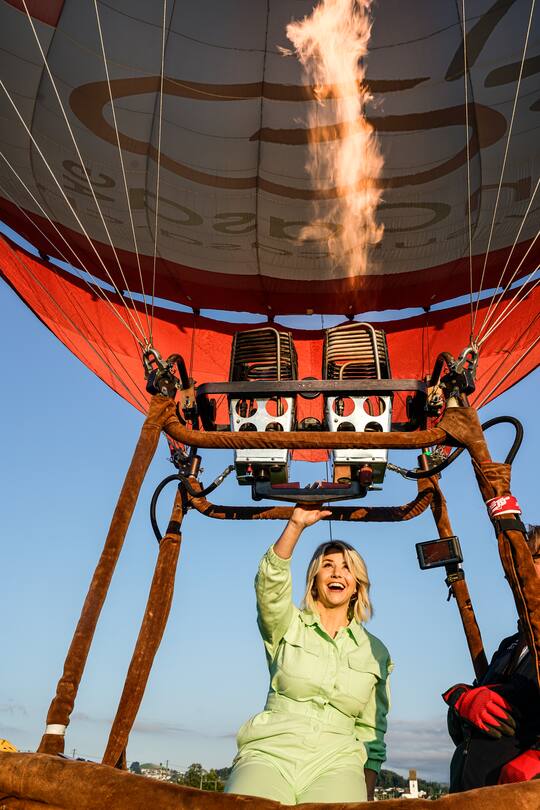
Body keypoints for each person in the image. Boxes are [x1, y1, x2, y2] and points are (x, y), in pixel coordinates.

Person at [225, 503, 393, 804]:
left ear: (356, 585)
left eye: (346, 567)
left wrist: (365, 793)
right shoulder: (287, 624)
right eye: (327, 565)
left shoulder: (375, 651)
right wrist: (296, 524)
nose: (336, 572)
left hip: (338, 762)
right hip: (270, 753)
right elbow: (270, 587)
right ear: (314, 579)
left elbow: (372, 732)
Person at [442, 524, 540, 791]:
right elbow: (466, 731)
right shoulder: (509, 646)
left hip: (520, 798)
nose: (523, 567)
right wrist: (462, 704)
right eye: (521, 558)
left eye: (534, 557)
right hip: (471, 793)